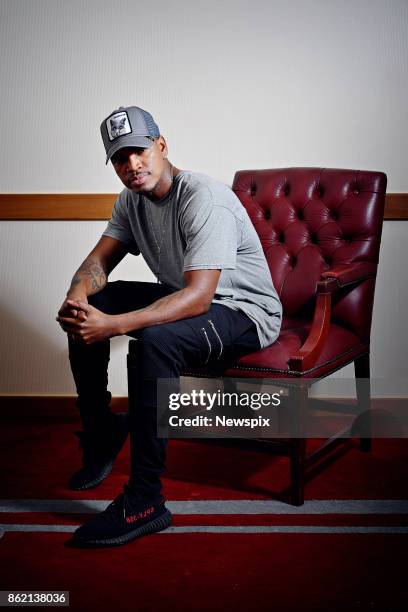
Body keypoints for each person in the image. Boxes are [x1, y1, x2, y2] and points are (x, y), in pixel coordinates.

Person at [56, 105, 282, 547]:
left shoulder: (202, 196)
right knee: (93, 302)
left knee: (155, 342)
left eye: (139, 151)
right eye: (120, 158)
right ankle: (102, 433)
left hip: (242, 311)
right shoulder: (131, 200)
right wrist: (78, 296)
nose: (132, 165)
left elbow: (200, 296)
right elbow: (98, 263)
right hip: (193, 300)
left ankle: (144, 500)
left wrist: (115, 325)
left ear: (161, 145)